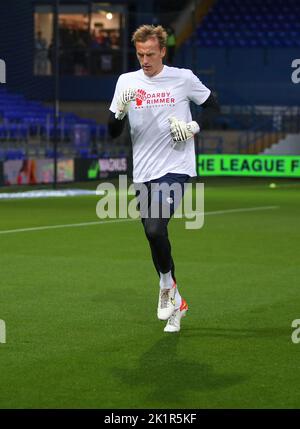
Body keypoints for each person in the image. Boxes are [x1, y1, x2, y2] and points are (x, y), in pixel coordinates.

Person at [108, 25, 219, 333]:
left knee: (156, 228)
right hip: (142, 172)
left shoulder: (182, 78)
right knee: (152, 235)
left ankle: (165, 287)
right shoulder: (126, 82)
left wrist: (194, 127)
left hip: (176, 166)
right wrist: (118, 110)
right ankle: (175, 298)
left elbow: (213, 106)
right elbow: (113, 132)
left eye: (151, 54)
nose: (145, 60)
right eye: (140, 54)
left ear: (163, 51)